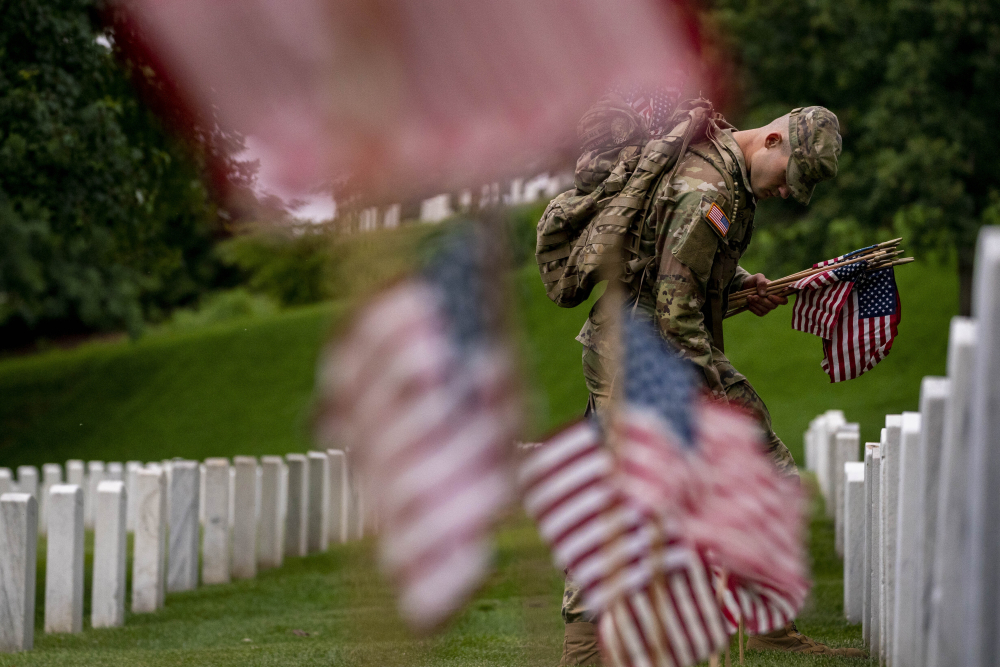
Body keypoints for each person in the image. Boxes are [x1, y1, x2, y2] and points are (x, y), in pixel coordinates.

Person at [559, 104, 867, 663]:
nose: (786, 192)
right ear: (774, 140)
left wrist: (747, 285)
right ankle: (582, 651)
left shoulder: (728, 179)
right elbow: (677, 312)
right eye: (790, 177)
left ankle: (772, 626)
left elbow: (677, 264)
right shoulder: (709, 192)